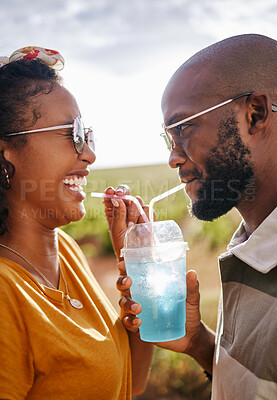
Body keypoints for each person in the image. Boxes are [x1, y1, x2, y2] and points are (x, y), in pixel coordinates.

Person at [105, 34, 277, 400]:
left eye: (183, 128)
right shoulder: (253, 247)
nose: (173, 158)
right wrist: (198, 342)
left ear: (255, 114)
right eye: (168, 139)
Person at [0, 46, 153, 399]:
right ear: (7, 152)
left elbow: (132, 381)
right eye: (72, 133)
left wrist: (138, 263)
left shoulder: (65, 252)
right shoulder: (6, 294)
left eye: (86, 133)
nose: (89, 154)